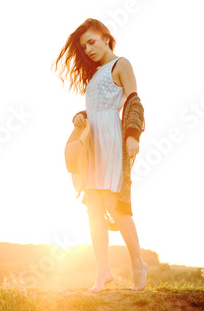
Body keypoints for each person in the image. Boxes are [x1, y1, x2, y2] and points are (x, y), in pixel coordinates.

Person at [53, 18, 148, 292]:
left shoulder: (122, 64)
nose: (89, 49)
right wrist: (80, 115)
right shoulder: (94, 75)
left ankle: (138, 264)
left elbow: (133, 100)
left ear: (106, 37)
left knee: (114, 204)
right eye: (84, 47)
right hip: (92, 142)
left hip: (112, 139)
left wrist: (132, 135)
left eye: (92, 42)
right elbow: (95, 108)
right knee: (93, 207)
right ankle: (103, 271)